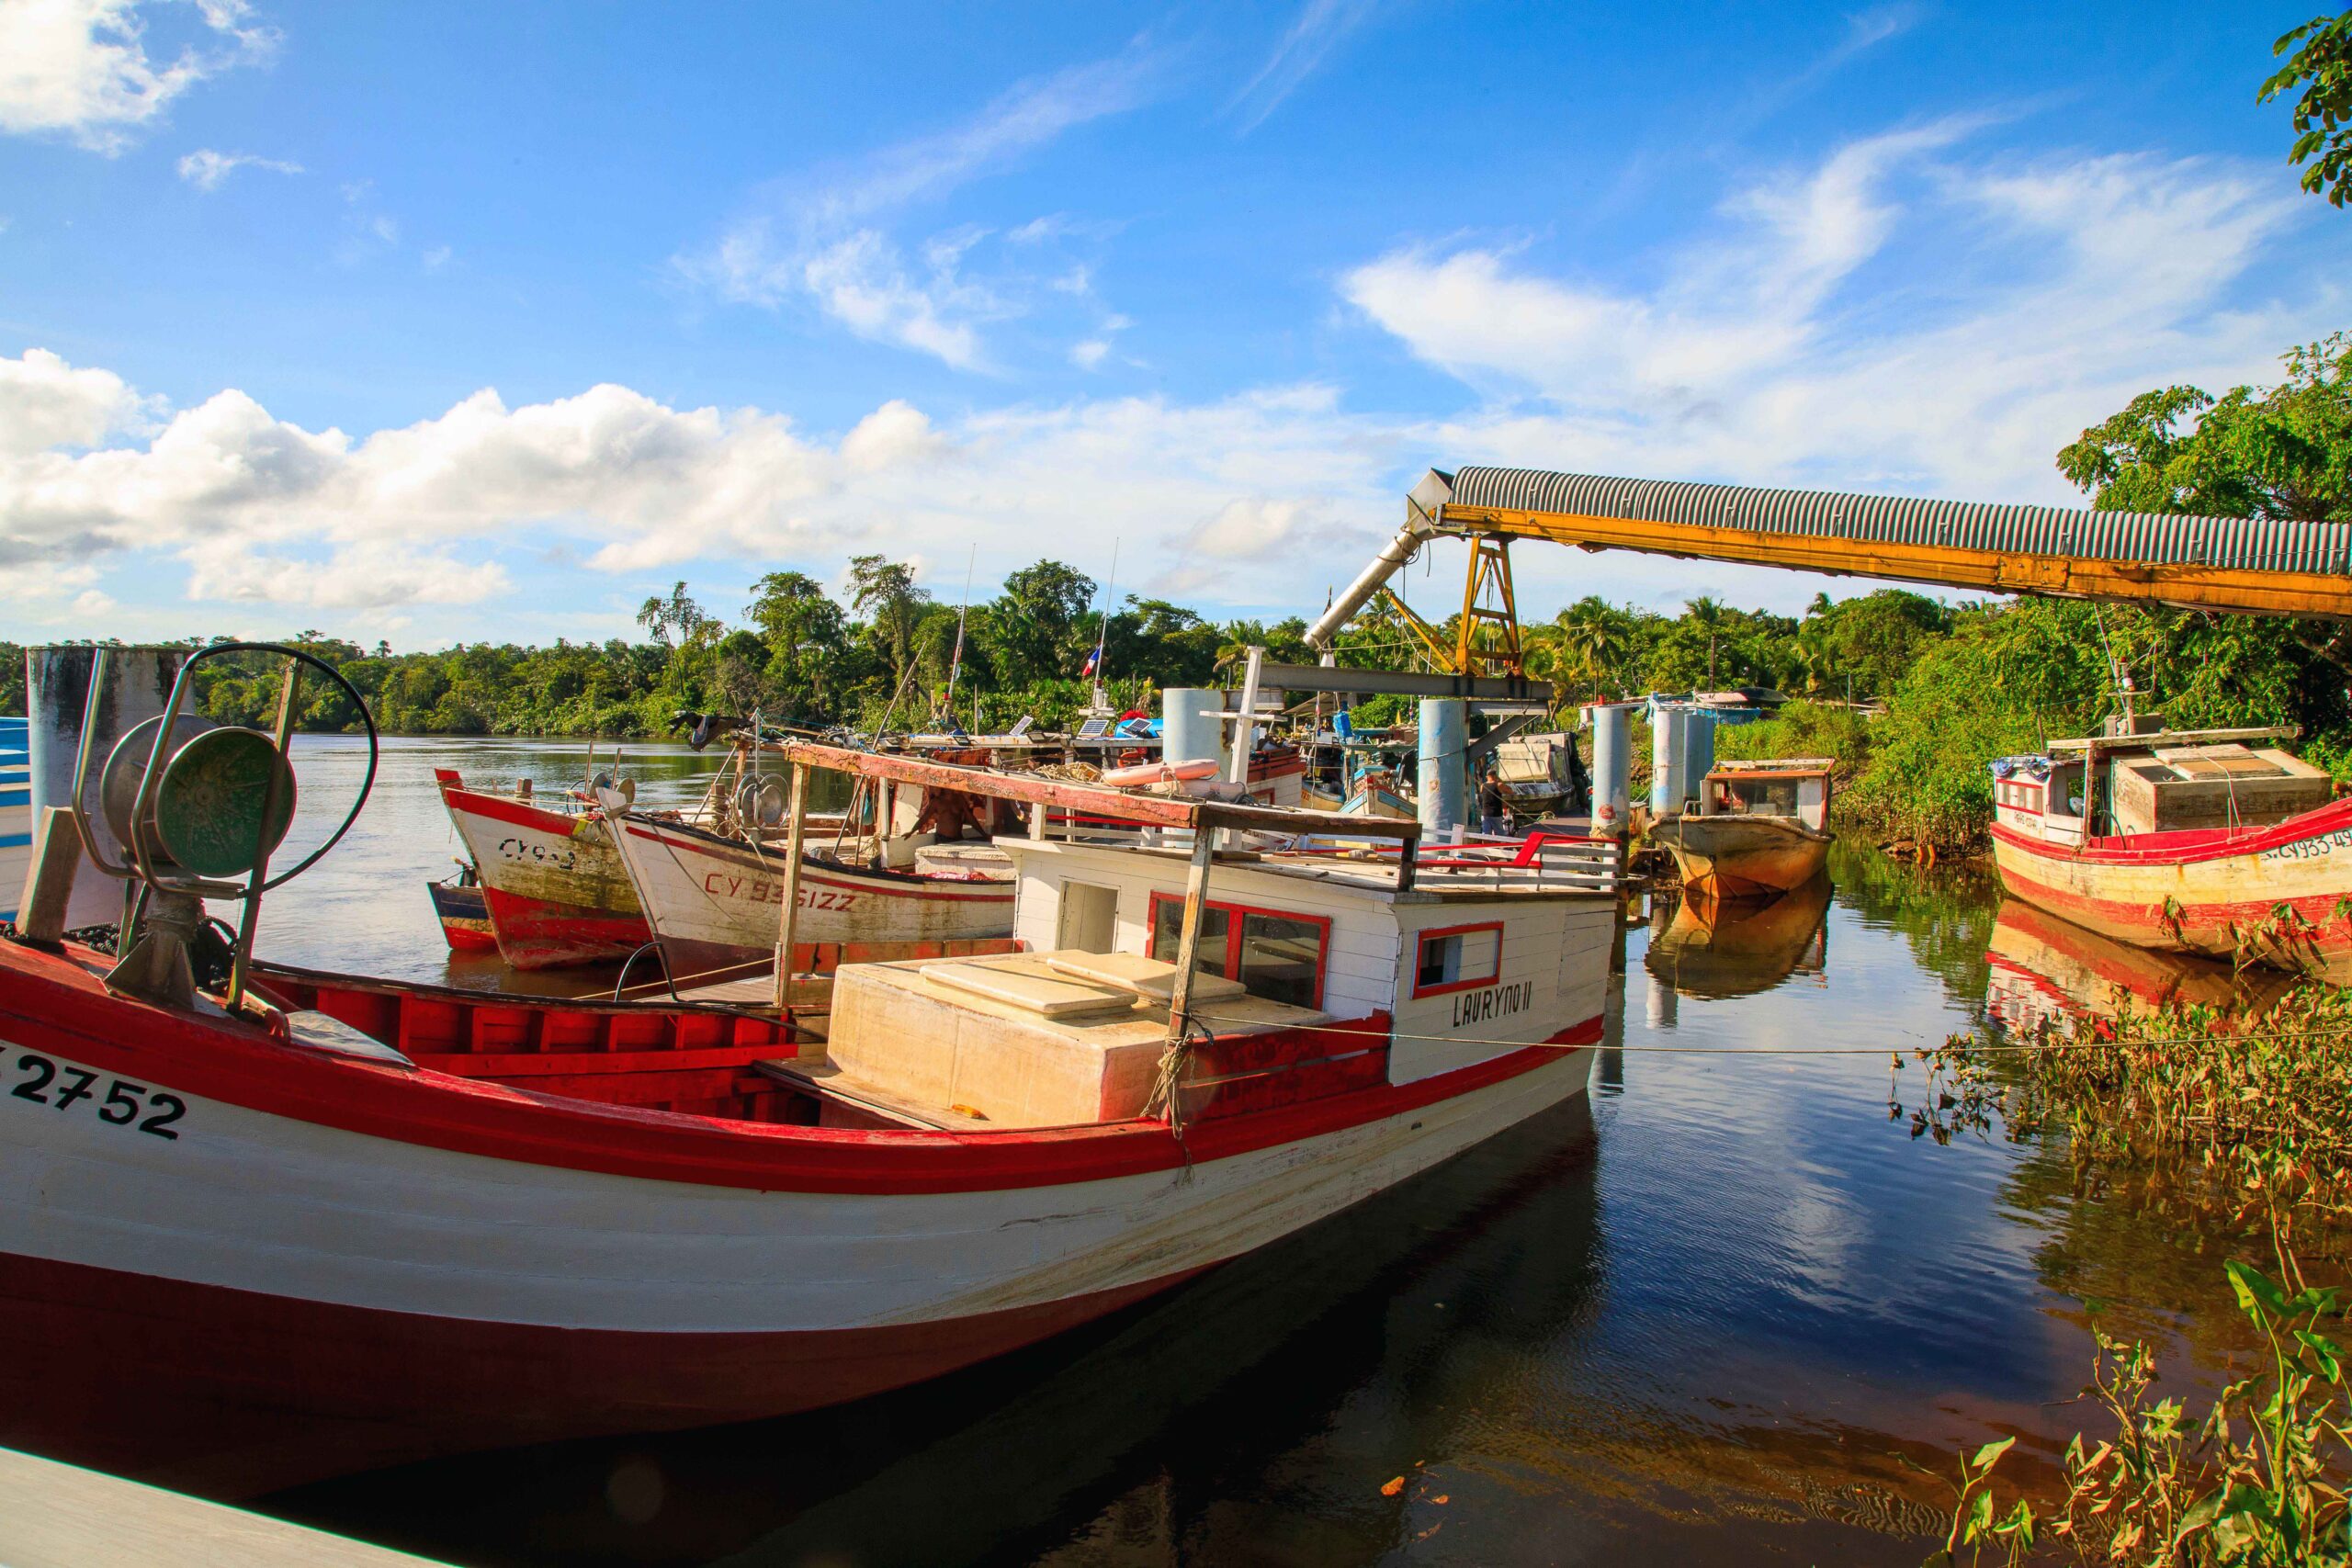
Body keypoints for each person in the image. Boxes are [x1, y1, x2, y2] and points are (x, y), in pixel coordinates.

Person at [1477, 761, 1508, 836]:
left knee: (1485, 834)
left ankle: (1485, 847)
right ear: (1495, 776)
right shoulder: (1499, 785)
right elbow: (1510, 791)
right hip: (1496, 814)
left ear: (1487, 777)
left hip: (1485, 813)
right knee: (1499, 834)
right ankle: (1499, 847)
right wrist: (1499, 780)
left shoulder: (1483, 786)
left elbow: (1483, 796)